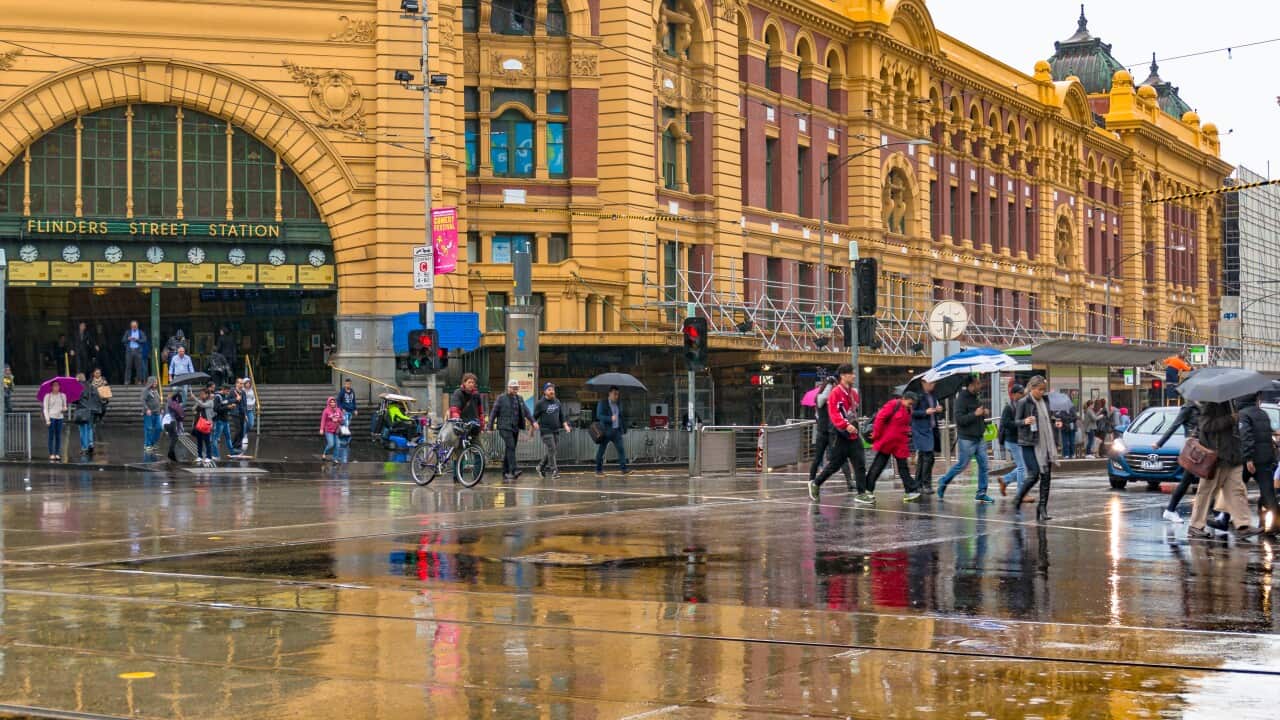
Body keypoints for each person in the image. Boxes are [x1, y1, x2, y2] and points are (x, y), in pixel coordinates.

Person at [1187, 401, 1261, 539]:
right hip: (1216, 457)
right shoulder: (1210, 404)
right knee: (1206, 492)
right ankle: (1195, 526)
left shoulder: (1231, 402)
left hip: (1232, 456)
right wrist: (1231, 419)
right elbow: (1205, 425)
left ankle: (1243, 525)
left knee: (1236, 490)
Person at [809, 364, 865, 502]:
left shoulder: (853, 393)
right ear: (843, 376)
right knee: (834, 464)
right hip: (840, 434)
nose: (854, 376)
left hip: (853, 434)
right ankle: (816, 483)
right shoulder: (835, 393)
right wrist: (846, 425)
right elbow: (834, 414)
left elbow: (853, 411)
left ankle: (862, 493)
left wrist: (853, 424)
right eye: (851, 373)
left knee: (860, 463)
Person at [936, 375, 994, 504]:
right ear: (971, 385)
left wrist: (984, 413)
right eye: (978, 383)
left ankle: (981, 492)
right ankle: (944, 481)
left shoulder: (976, 397)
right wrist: (975, 414)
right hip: (967, 438)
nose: (980, 385)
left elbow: (978, 414)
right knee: (962, 465)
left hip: (979, 437)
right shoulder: (961, 398)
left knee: (984, 466)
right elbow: (960, 420)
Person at [1013, 376, 1061, 521]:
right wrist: (1025, 421)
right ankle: (1018, 498)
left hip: (1046, 443)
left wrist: (1055, 421)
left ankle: (1042, 507)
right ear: (1032, 388)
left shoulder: (1045, 401)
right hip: (1030, 443)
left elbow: (1046, 418)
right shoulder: (1023, 402)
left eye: (1043, 390)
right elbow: (1015, 422)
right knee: (1034, 474)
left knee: (1046, 476)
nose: (1042, 392)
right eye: (1039, 389)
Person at [866, 392, 921, 502]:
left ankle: (910, 490)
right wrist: (876, 434)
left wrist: (908, 432)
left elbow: (905, 425)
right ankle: (867, 489)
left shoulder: (908, 409)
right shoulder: (893, 404)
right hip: (887, 442)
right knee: (878, 466)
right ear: (905, 399)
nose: (911, 406)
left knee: (903, 467)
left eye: (912, 404)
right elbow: (880, 418)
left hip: (899, 443)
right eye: (910, 403)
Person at [1155, 399, 1203, 523]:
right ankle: (1170, 510)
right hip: (1193, 448)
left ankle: (1219, 514)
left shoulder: (1204, 406)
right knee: (1188, 480)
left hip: (1204, 447)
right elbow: (1174, 425)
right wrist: (1160, 443)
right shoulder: (1188, 408)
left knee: (1203, 480)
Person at [1238, 392, 1279, 530]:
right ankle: (1276, 525)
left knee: (1234, 489)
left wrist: (1248, 458)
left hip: (1250, 460)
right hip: (1266, 458)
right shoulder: (1263, 414)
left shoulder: (1243, 415)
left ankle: (1223, 517)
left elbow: (1246, 436)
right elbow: (1267, 434)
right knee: (1268, 492)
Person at [809, 376, 853, 490]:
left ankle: (849, 482)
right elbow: (821, 401)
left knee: (840, 457)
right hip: (824, 432)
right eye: (832, 386)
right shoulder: (821, 398)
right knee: (818, 458)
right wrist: (829, 385)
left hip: (832, 432)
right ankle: (811, 481)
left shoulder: (833, 399)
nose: (834, 388)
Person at [490, 379, 533, 480]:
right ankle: (514, 470)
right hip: (504, 427)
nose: (515, 390)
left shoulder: (519, 398)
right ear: (508, 388)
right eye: (514, 388)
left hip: (515, 427)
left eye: (517, 388)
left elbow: (526, 411)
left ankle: (505, 472)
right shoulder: (501, 398)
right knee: (511, 446)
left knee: (510, 448)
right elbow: (494, 412)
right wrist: (490, 426)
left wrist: (533, 421)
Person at [533, 383, 571, 478]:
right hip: (545, 430)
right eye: (549, 389)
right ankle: (554, 471)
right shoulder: (540, 403)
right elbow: (533, 417)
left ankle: (540, 466)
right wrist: (534, 423)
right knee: (552, 449)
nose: (552, 391)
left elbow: (561, 416)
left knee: (552, 450)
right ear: (545, 391)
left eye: (553, 389)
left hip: (555, 430)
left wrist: (565, 425)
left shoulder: (557, 402)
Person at [998, 384, 1028, 497]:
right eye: (1020, 393)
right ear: (1014, 394)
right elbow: (1005, 423)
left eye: (1023, 393)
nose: (1022, 395)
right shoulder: (1009, 407)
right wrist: (1020, 423)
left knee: (1023, 466)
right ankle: (1021, 494)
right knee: (1022, 467)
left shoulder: (1020, 405)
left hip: (1018, 440)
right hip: (1011, 441)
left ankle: (1005, 480)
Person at [911, 380, 942, 493]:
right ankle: (926, 484)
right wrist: (925, 412)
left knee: (925, 457)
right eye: (931, 383)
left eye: (934, 382)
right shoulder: (918, 396)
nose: (933, 385)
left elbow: (934, 411)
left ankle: (918, 483)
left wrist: (938, 410)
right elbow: (912, 412)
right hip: (921, 430)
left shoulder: (933, 396)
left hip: (931, 429)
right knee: (928, 457)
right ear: (923, 383)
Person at [442, 373, 484, 451]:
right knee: (459, 450)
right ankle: (457, 463)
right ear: (464, 383)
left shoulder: (476, 395)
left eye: (473, 382)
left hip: (473, 426)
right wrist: (457, 421)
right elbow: (455, 408)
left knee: (478, 450)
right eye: (469, 382)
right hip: (462, 427)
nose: (471, 384)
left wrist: (481, 423)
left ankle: (479, 463)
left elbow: (480, 411)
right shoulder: (458, 393)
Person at [595, 386, 631, 477]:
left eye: (618, 394)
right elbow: (599, 416)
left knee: (621, 450)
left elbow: (620, 417)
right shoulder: (602, 403)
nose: (616, 396)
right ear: (609, 393)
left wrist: (624, 428)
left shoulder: (618, 404)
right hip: (606, 432)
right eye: (615, 394)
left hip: (616, 431)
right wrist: (610, 418)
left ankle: (624, 469)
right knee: (601, 451)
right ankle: (598, 470)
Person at [74, 372, 103, 455]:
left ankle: (84, 447)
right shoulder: (91, 386)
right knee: (89, 428)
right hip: (91, 411)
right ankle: (90, 444)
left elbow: (76, 400)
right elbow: (97, 398)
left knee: (82, 429)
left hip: (82, 410)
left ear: (78, 379)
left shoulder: (77, 387)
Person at [190, 388, 216, 466]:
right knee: (199, 441)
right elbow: (193, 408)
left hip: (207, 424)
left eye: (203, 394)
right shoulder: (200, 401)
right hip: (199, 424)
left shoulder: (210, 402)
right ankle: (200, 456)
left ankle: (209, 457)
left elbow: (203, 405)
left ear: (207, 394)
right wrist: (195, 409)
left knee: (207, 441)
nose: (201, 395)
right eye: (200, 394)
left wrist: (194, 398)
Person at [42, 380, 66, 461]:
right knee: (51, 436)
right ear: (51, 387)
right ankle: (51, 453)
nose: (56, 387)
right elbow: (45, 409)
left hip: (60, 417)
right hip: (51, 418)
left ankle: (57, 453)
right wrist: (47, 420)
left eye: (58, 386)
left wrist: (64, 408)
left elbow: (64, 406)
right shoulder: (47, 396)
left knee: (58, 436)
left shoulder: (63, 395)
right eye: (54, 386)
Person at [210, 385, 237, 459]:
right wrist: (227, 407)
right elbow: (216, 408)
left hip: (225, 420)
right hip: (219, 420)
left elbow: (225, 407)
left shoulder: (225, 396)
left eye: (229, 391)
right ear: (223, 389)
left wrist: (231, 407)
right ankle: (216, 455)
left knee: (228, 438)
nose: (228, 393)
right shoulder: (217, 397)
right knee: (215, 438)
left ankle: (232, 453)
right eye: (227, 391)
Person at [319, 396, 345, 463]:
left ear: (335, 403)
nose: (332, 403)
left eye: (333, 402)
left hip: (337, 430)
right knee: (331, 444)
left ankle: (335, 458)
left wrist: (337, 419)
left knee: (338, 445)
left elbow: (342, 420)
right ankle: (324, 453)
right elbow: (323, 420)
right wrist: (321, 429)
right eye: (331, 402)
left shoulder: (338, 410)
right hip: (328, 430)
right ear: (329, 403)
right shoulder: (326, 411)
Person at [141, 376, 163, 454]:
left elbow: (158, 401)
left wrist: (161, 408)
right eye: (154, 382)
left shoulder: (156, 391)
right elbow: (143, 400)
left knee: (159, 428)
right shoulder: (146, 391)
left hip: (157, 413)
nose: (156, 383)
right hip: (149, 413)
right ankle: (147, 445)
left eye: (156, 382)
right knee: (149, 429)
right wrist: (147, 409)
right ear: (150, 382)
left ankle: (152, 443)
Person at [122, 320, 146, 385]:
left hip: (138, 351)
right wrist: (128, 339)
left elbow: (144, 340)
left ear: (137, 326)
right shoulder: (128, 332)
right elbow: (123, 340)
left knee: (138, 367)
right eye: (132, 326)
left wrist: (137, 339)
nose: (134, 327)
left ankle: (139, 381)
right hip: (129, 351)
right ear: (131, 326)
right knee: (128, 366)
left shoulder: (140, 332)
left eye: (135, 326)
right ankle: (127, 381)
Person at [164, 391, 185, 462]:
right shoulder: (173, 404)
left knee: (173, 438)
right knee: (175, 438)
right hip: (171, 422)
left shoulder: (168, 403)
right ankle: (171, 454)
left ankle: (171, 455)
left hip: (166, 423)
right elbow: (179, 416)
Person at [241, 378, 257, 450]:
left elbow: (254, 398)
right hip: (244, 409)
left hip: (250, 409)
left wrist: (252, 403)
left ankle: (245, 433)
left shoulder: (251, 390)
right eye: (246, 383)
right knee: (245, 423)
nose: (248, 384)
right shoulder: (242, 391)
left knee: (251, 424)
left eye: (249, 383)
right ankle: (244, 436)